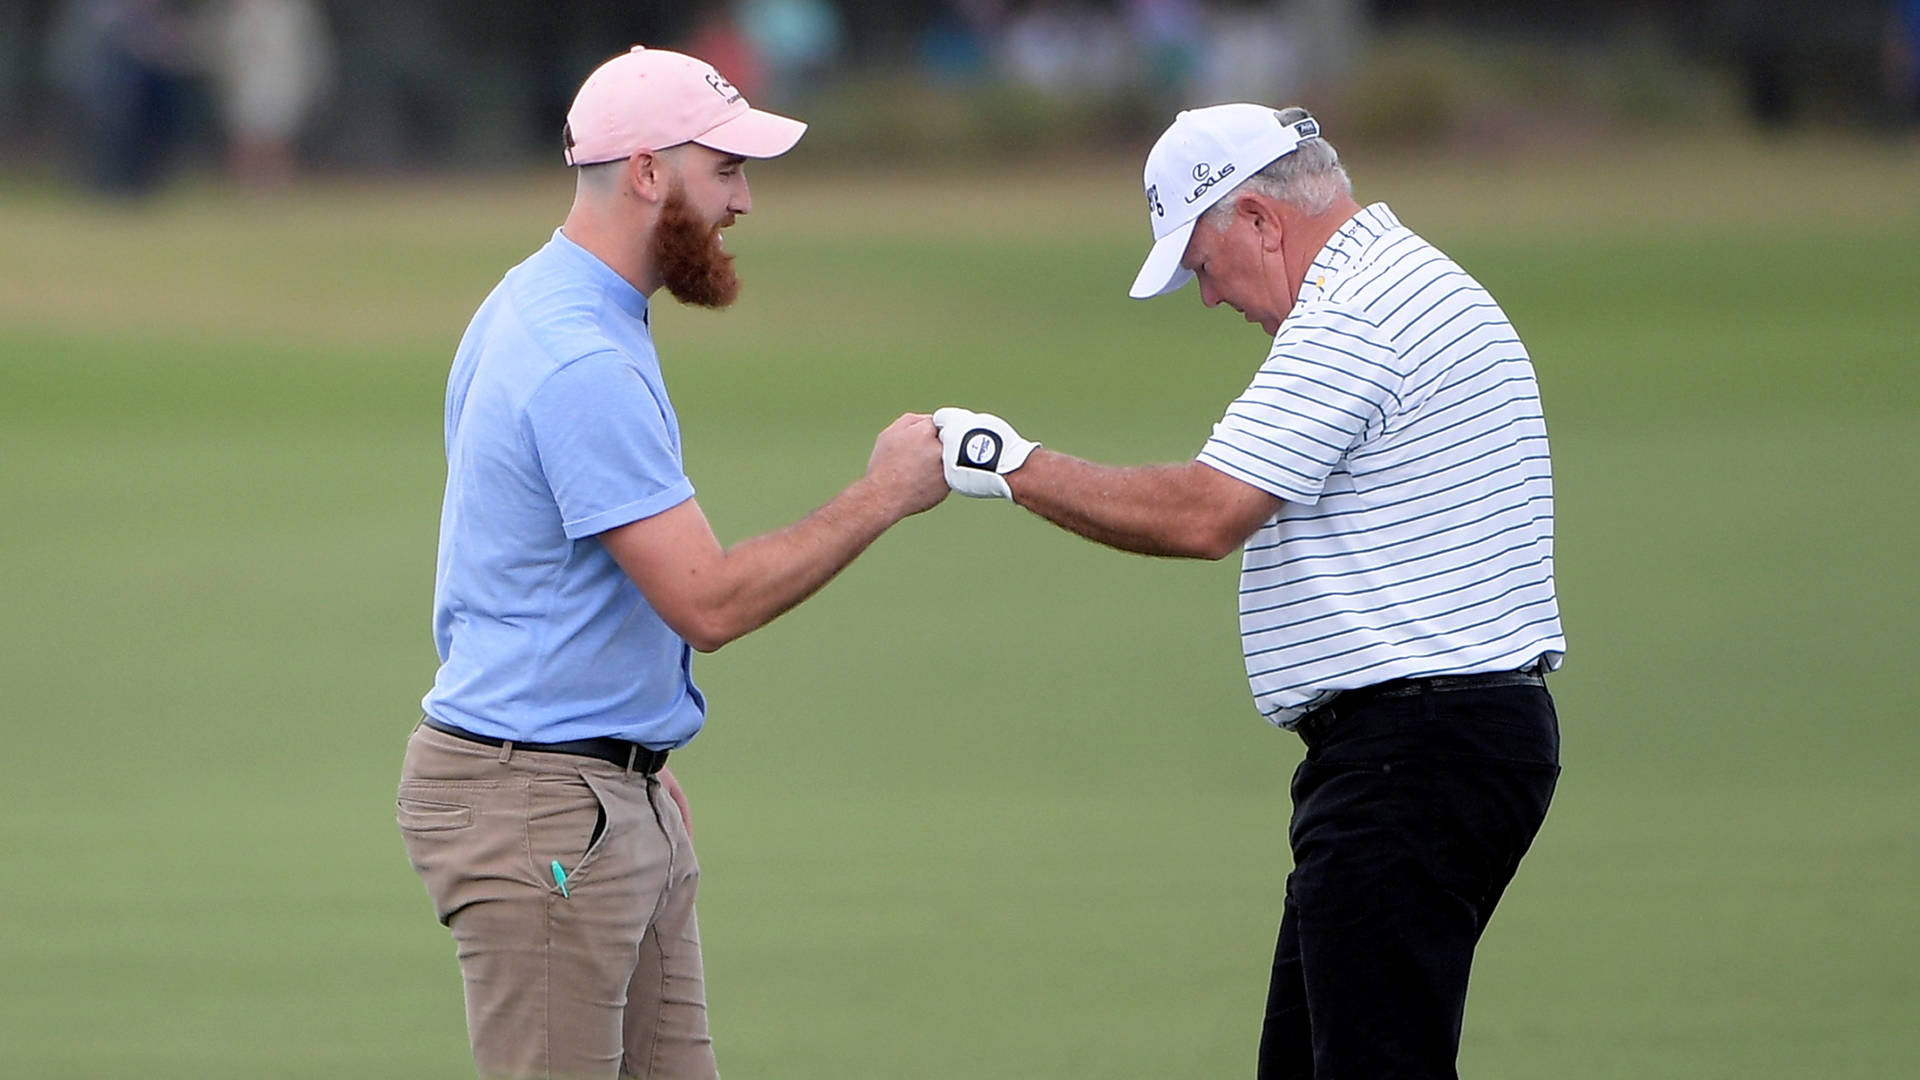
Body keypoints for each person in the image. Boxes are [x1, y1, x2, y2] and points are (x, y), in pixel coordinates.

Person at [933, 104, 1565, 1079]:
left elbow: (1205, 513)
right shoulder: (1394, 283)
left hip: (1419, 750)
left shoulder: (1355, 312)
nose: (1208, 298)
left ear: (1263, 220)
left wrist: (998, 461)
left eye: (1201, 263)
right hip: (1434, 744)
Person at [396, 46, 947, 1080]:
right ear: (647, 172)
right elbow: (709, 600)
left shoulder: (550, 302)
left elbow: (540, 568)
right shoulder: (581, 358)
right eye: (725, 171)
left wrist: (632, 750)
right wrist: (884, 496)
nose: (745, 202)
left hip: (600, 789)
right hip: (543, 801)